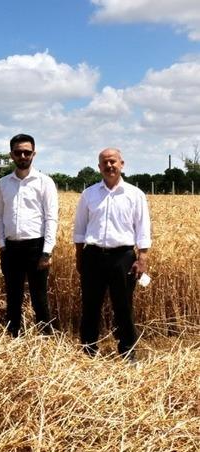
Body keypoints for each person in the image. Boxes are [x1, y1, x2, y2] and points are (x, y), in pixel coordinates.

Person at [73, 148, 151, 360]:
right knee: (90, 305)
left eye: (113, 162)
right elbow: (79, 229)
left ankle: (128, 352)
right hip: (93, 256)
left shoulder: (135, 195)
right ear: (99, 167)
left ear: (122, 164)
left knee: (123, 307)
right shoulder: (88, 194)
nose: (109, 166)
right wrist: (79, 257)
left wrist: (142, 258)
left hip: (123, 258)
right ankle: (89, 350)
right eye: (105, 163)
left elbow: (143, 230)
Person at [0, 133, 59, 336]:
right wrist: (1, 244)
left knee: (40, 297)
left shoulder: (44, 182)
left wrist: (47, 251)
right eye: (18, 152)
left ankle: (45, 337)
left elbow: (51, 218)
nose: (23, 156)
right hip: (11, 247)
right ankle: (13, 335)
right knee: (13, 295)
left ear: (34, 154)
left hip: (36, 247)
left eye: (27, 152)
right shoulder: (4, 183)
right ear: (11, 155)